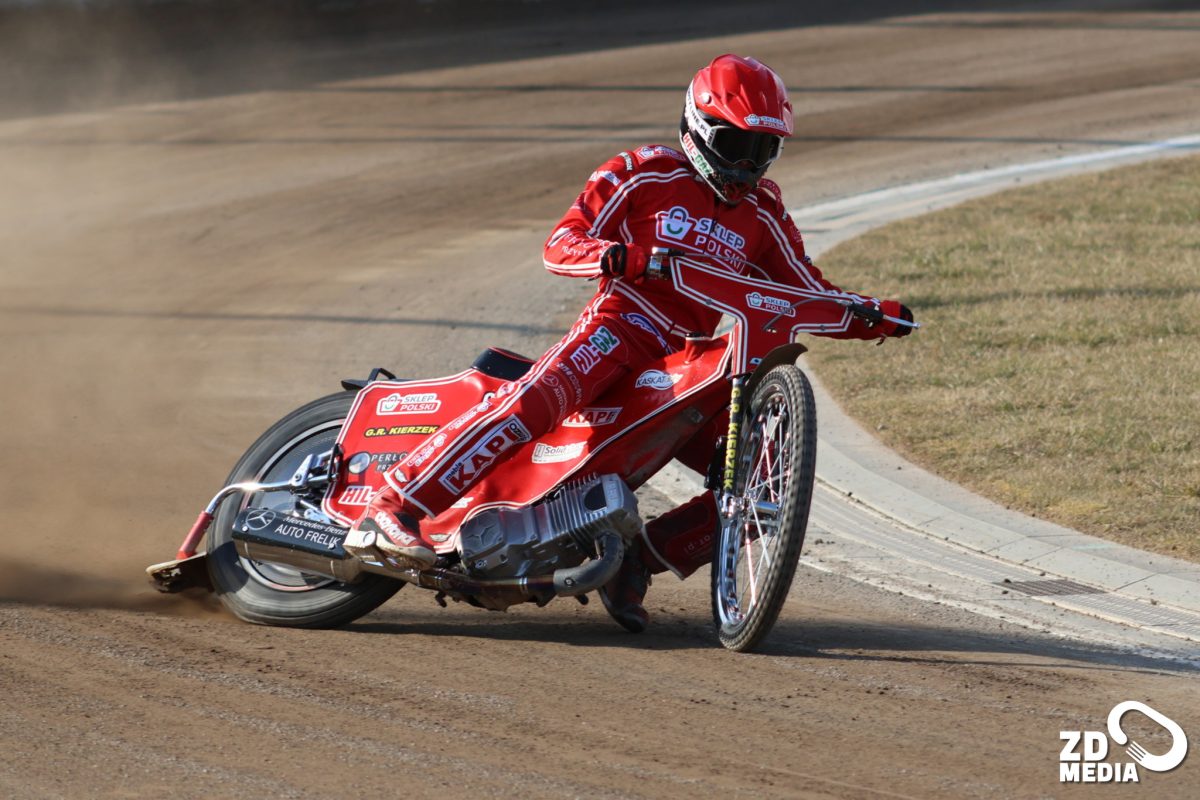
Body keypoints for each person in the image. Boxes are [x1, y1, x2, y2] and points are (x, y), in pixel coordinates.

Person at [345, 54, 913, 632]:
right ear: (697, 127)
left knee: (768, 482)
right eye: (735, 145)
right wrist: (616, 256)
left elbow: (808, 291)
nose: (747, 165)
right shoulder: (643, 172)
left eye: (762, 149)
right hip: (617, 327)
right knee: (534, 401)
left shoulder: (765, 212)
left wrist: (873, 315)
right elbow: (561, 243)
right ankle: (393, 507)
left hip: (685, 360)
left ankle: (639, 560)